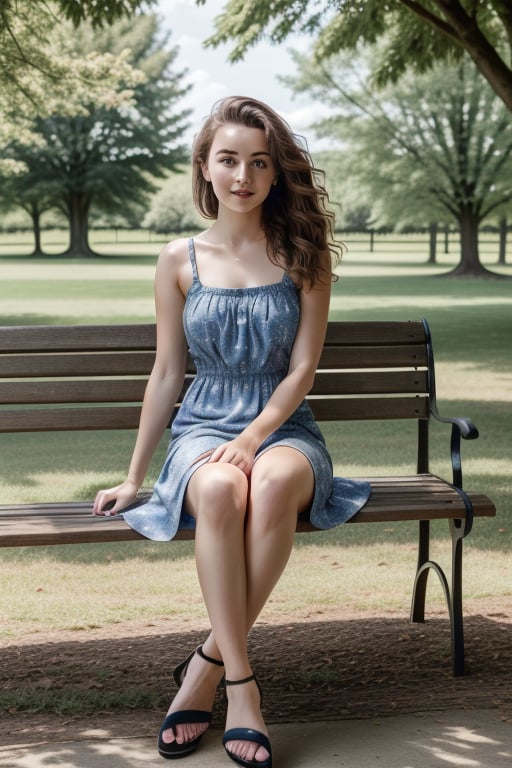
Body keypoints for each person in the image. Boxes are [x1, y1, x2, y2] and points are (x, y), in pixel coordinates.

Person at [93, 96, 371, 767]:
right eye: (229, 160)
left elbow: (303, 369)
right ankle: (242, 687)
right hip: (201, 430)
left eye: (258, 162)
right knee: (218, 491)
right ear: (206, 168)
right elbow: (166, 374)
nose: (243, 174)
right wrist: (135, 476)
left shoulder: (302, 254)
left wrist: (255, 437)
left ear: (275, 174)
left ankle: (210, 667)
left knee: (271, 480)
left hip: (286, 430)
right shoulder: (178, 260)